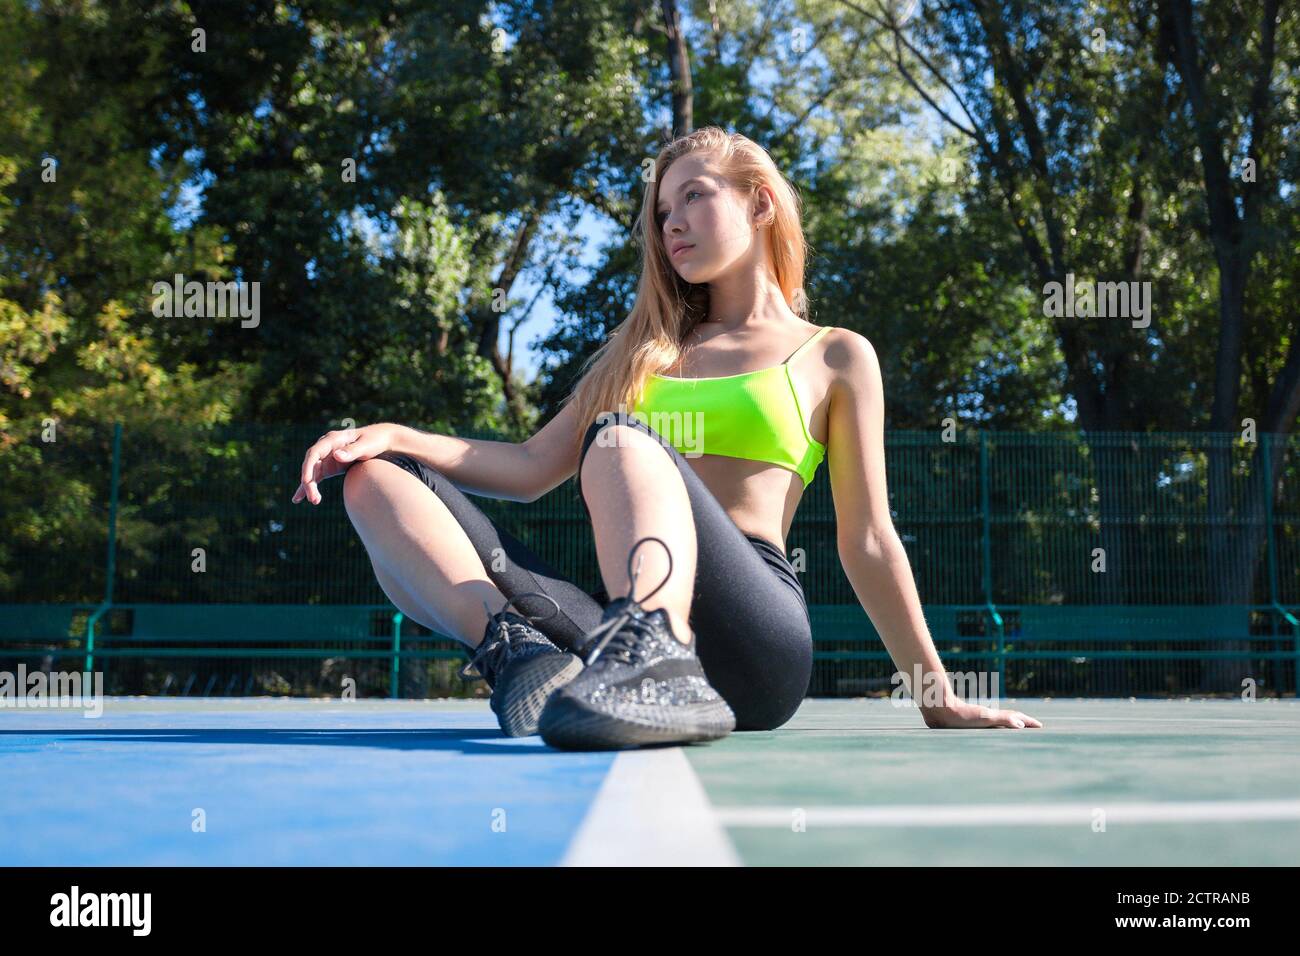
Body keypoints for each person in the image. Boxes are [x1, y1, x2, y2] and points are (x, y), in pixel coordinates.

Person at [291, 127, 1042, 750]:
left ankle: (659, 652)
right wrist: (392, 434)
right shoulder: (637, 351)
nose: (671, 222)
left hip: (753, 641)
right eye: (660, 213)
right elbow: (526, 467)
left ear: (760, 202)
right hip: (612, 637)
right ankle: (517, 652)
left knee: (620, 438)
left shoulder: (835, 354)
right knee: (375, 477)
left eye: (694, 197)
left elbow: (869, 540)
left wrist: (935, 693)